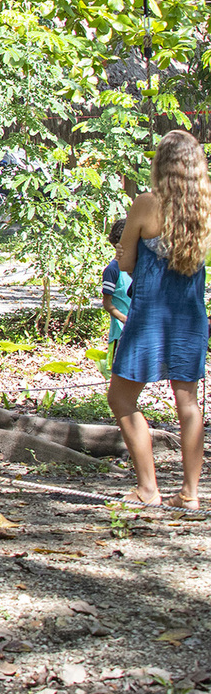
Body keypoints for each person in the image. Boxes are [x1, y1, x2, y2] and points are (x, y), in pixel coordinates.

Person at [108, 129, 208, 510]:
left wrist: (122, 253)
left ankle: (148, 488)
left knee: (120, 397)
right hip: (190, 318)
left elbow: (127, 262)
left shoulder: (147, 204)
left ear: (161, 165)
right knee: (188, 403)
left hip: (149, 316)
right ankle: (191, 493)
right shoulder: (204, 206)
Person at [101, 217, 131, 367]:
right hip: (121, 332)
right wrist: (125, 319)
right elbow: (107, 303)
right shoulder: (112, 270)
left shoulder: (137, 268)